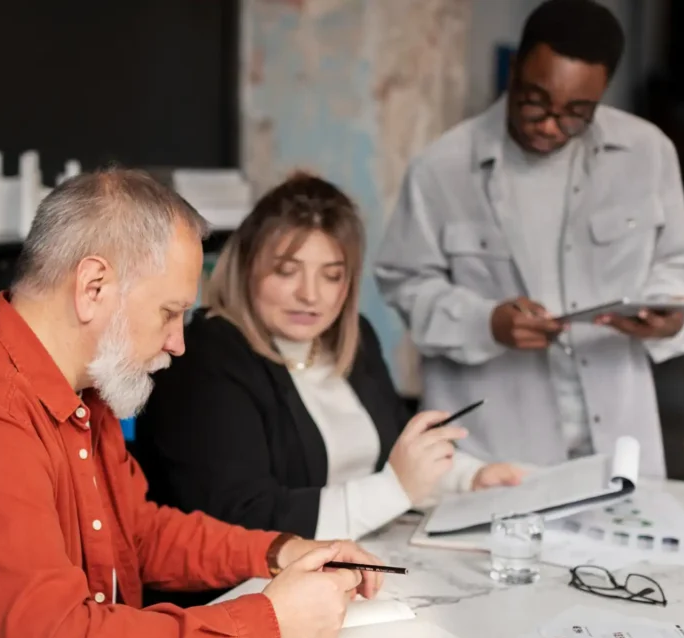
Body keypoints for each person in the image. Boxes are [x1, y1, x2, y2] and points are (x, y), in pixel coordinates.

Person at [0, 169, 388, 638]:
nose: (178, 342)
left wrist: (280, 550)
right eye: (169, 312)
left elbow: (136, 534)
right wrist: (270, 621)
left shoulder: (86, 385)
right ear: (93, 287)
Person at [374, 0, 684, 478]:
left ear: (602, 94)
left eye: (576, 113)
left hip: (619, 441)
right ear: (514, 70)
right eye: (535, 102)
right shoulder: (441, 168)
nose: (551, 125)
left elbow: (679, 267)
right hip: (494, 452)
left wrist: (669, 315)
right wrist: (486, 323)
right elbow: (404, 283)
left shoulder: (648, 154)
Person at [135, 172, 524, 552]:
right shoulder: (206, 354)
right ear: (246, 267)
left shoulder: (354, 340)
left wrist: (469, 478)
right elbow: (241, 516)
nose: (310, 295)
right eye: (287, 271)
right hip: (251, 582)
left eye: (332, 276)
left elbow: (394, 455)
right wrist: (393, 490)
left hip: (362, 557)